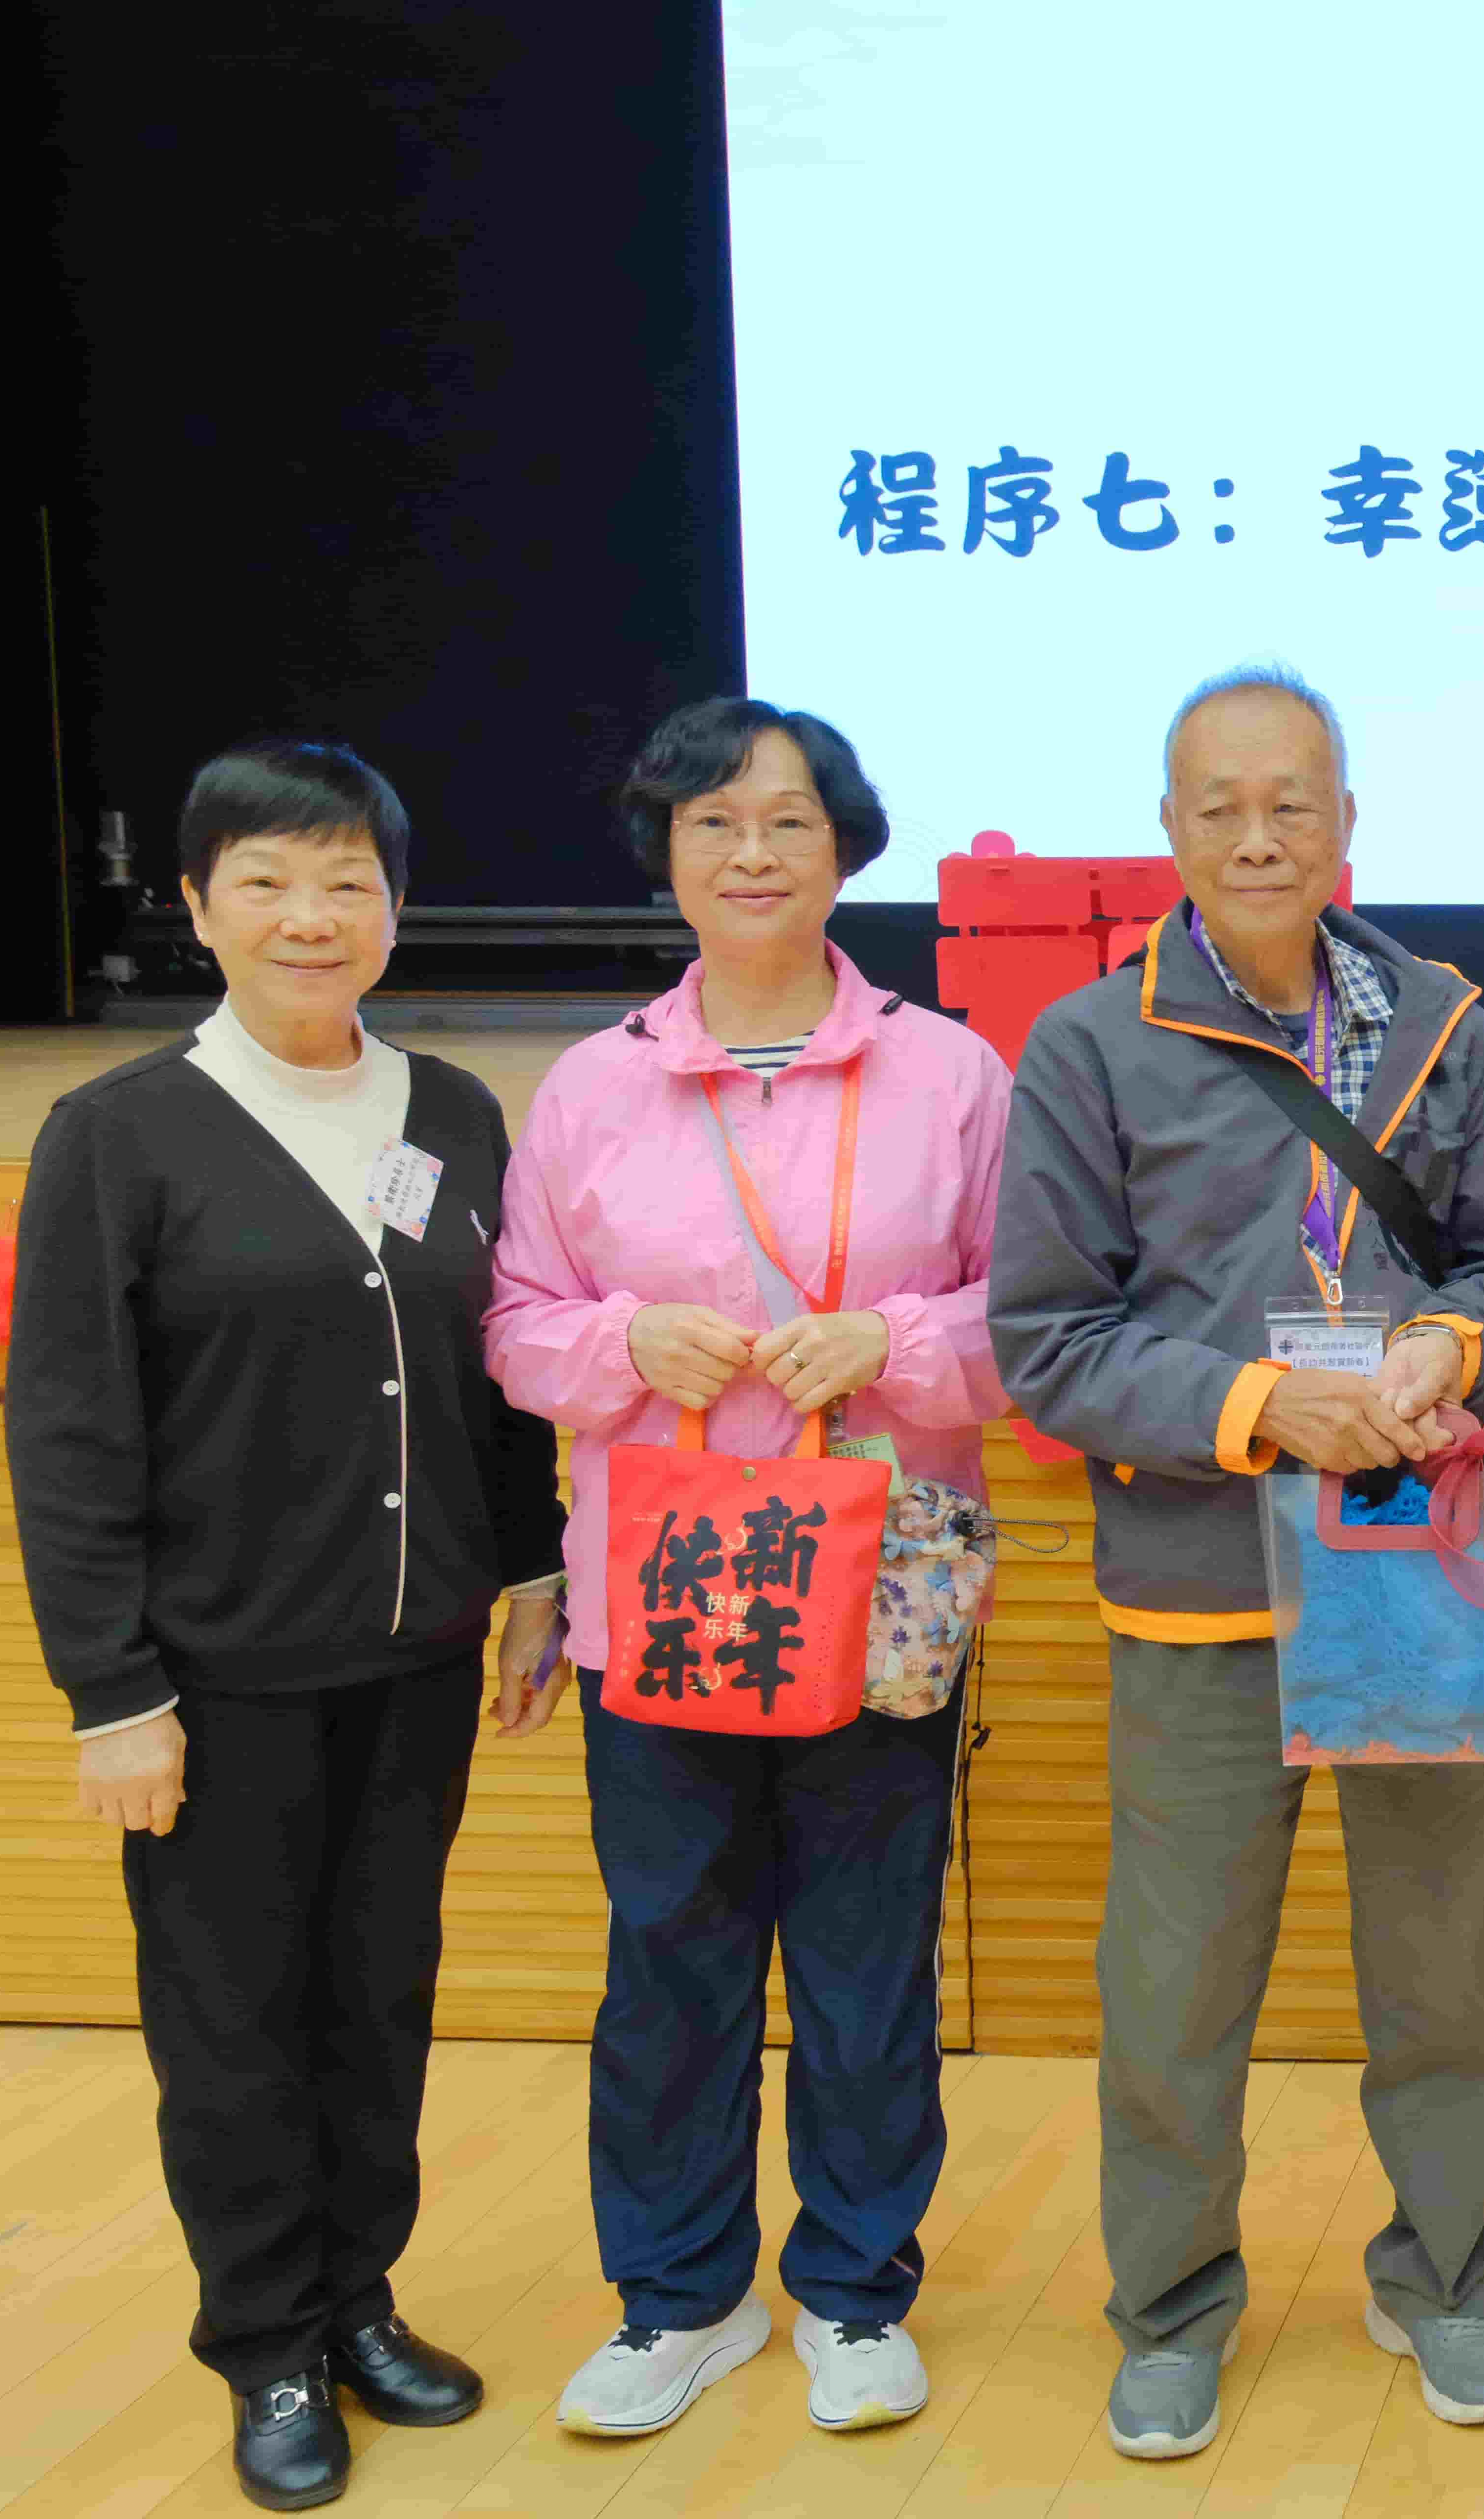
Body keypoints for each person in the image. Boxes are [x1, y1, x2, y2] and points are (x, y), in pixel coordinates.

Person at [990, 664, 1484, 2461]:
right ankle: (1171, 2310)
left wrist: (1452, 1347)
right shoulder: (1089, 1045)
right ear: (1170, 828)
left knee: (1441, 1975)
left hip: (1415, 1577)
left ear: (1346, 822)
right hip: (1200, 1587)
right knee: (1174, 1990)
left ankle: (1446, 2277)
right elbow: (1049, 1343)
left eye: (1292, 802)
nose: (1259, 836)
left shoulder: (1445, 1029)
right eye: (1222, 806)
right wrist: (1262, 1404)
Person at [7, 741, 565, 2511]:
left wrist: (533, 1573)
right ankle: (266, 2344)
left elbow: (497, 1378)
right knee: (233, 2029)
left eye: (347, 883)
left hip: (414, 1662)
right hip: (218, 1680)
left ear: (394, 907)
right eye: (265, 881)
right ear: (198, 906)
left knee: (378, 2003)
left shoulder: (453, 1113)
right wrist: (111, 1691)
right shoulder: (119, 1134)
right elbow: (71, 1432)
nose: (310, 917)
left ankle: (360, 2302)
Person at [483, 699, 1011, 2441]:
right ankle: (680, 2299)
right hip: (662, 1593)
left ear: (846, 848)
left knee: (868, 1956)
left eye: (788, 820)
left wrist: (895, 1341)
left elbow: (1036, 1322)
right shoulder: (593, 1085)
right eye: (713, 822)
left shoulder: (952, 1075)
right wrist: (628, 1344)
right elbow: (518, 1326)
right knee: (671, 1951)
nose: (753, 853)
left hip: (879, 1594)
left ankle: (857, 2291)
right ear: (668, 854)